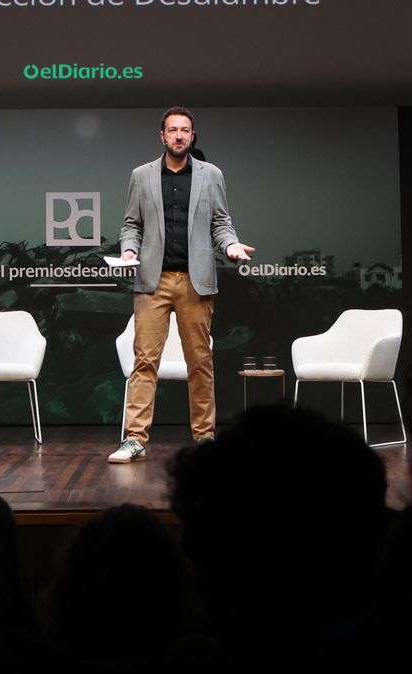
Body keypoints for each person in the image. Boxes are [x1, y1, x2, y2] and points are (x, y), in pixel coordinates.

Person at [111, 106, 255, 463]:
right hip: (153, 281)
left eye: (185, 130)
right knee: (144, 362)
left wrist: (231, 244)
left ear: (193, 136)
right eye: (172, 129)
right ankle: (134, 439)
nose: (179, 135)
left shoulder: (212, 175)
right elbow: (131, 224)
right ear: (162, 136)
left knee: (200, 362)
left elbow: (221, 221)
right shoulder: (141, 176)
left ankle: (205, 437)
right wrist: (129, 249)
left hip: (196, 281)